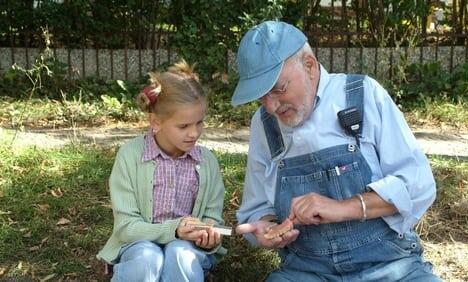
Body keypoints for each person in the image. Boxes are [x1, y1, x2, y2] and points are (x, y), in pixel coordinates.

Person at [233, 21, 440, 281]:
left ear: (308, 65)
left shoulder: (362, 95)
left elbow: (417, 185)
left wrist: (344, 207)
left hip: (389, 266)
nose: (272, 106)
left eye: (278, 89)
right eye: (262, 96)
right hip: (306, 272)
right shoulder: (263, 124)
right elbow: (256, 208)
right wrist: (266, 228)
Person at [97, 60, 226, 282]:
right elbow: (127, 227)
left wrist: (210, 234)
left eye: (200, 123)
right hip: (138, 244)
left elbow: (212, 218)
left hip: (187, 247)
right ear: (155, 122)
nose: (194, 133)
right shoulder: (130, 156)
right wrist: (174, 229)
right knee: (148, 259)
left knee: (180, 255)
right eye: (183, 126)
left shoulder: (207, 162)